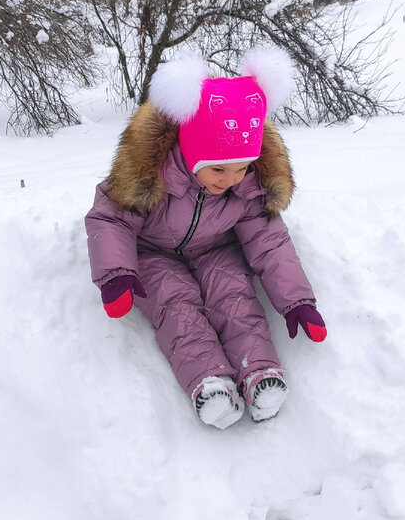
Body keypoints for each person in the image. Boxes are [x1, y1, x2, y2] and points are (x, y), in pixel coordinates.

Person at [85, 47, 326, 429]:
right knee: (175, 303)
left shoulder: (246, 186)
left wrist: (297, 302)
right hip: (153, 254)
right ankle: (209, 381)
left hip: (216, 250)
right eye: (218, 169)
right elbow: (111, 218)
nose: (231, 179)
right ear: (191, 151)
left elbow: (269, 242)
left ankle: (259, 371)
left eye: (242, 167)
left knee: (234, 296)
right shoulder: (151, 176)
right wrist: (116, 273)